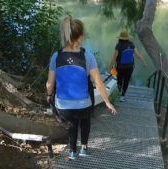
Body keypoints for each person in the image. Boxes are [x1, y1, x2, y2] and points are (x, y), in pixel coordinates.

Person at [46, 16, 118, 160]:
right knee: (85, 119)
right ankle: (84, 148)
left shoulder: (56, 56)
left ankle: (72, 152)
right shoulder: (87, 56)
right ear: (80, 37)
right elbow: (98, 83)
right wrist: (107, 102)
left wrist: (48, 96)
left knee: (72, 123)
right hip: (83, 105)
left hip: (63, 107)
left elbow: (49, 84)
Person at [107, 31, 147, 102]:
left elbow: (114, 58)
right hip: (130, 67)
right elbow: (138, 56)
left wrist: (109, 68)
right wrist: (143, 63)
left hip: (120, 67)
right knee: (126, 81)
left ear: (120, 38)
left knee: (119, 81)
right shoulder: (131, 45)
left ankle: (119, 92)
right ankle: (123, 96)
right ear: (128, 38)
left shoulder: (118, 45)